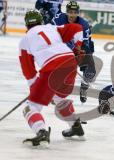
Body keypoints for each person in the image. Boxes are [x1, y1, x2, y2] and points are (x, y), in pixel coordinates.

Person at [19, 10, 86, 146]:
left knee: (30, 107)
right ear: (41, 20)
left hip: (51, 68)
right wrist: (78, 47)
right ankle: (75, 127)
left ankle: (41, 132)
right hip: (70, 63)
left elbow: (28, 70)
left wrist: (35, 91)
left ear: (26, 24)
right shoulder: (52, 28)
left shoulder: (24, 41)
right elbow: (78, 28)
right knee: (58, 97)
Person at [52, 0, 96, 103]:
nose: (72, 15)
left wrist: (78, 53)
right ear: (66, 11)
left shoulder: (83, 24)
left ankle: (84, 87)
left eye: (75, 12)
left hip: (80, 47)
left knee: (90, 71)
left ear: (78, 13)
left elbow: (84, 45)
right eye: (70, 12)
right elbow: (52, 37)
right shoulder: (58, 19)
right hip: (61, 47)